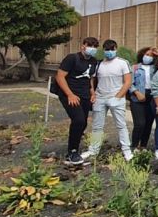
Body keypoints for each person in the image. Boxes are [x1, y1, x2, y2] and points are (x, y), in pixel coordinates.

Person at [82, 39, 133, 161]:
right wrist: (93, 93)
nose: (109, 52)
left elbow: (128, 82)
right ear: (103, 50)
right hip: (100, 98)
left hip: (117, 98)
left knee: (121, 125)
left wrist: (118, 97)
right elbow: (92, 80)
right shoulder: (99, 64)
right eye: (107, 49)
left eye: (112, 49)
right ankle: (93, 150)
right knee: (97, 126)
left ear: (116, 49)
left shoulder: (122, 63)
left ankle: (127, 150)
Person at [55, 37, 99, 165]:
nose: (93, 48)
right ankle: (72, 152)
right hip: (70, 94)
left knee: (83, 123)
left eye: (95, 46)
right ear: (83, 46)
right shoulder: (72, 58)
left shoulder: (93, 61)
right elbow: (60, 76)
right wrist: (70, 94)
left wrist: (92, 93)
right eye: (90, 45)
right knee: (78, 120)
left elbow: (90, 78)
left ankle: (75, 149)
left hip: (85, 95)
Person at [130, 46, 157, 151]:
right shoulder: (135, 67)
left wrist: (157, 54)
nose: (149, 57)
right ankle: (134, 145)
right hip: (138, 98)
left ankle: (143, 145)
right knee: (139, 123)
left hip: (152, 97)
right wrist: (137, 93)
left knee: (148, 123)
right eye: (147, 54)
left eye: (151, 55)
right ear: (142, 55)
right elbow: (129, 83)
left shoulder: (156, 67)